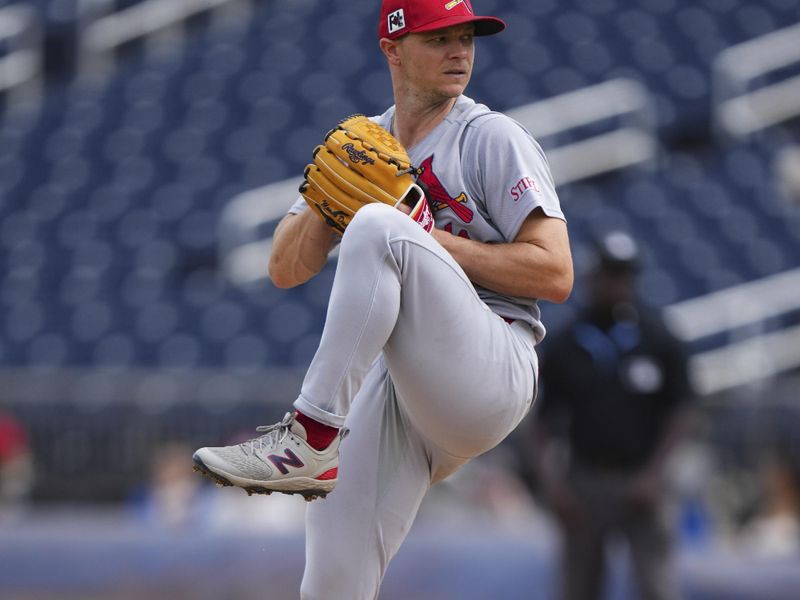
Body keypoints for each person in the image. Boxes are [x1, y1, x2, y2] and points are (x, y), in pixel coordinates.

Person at [193, 0, 573, 597]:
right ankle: (318, 447)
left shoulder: (489, 137)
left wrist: (427, 238)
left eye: (467, 36)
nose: (460, 51)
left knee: (376, 226)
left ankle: (310, 436)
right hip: (408, 388)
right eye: (438, 37)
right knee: (332, 565)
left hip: (495, 362)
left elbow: (556, 272)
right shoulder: (365, 145)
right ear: (392, 49)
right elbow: (285, 269)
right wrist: (324, 201)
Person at [530, 230, 693, 600]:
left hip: (644, 479)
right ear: (593, 277)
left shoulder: (659, 339)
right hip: (586, 479)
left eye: (626, 275)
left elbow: (681, 412)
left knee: (657, 587)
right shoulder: (568, 343)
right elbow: (542, 422)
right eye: (612, 274)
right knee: (579, 589)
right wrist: (552, 484)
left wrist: (655, 475)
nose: (619, 284)